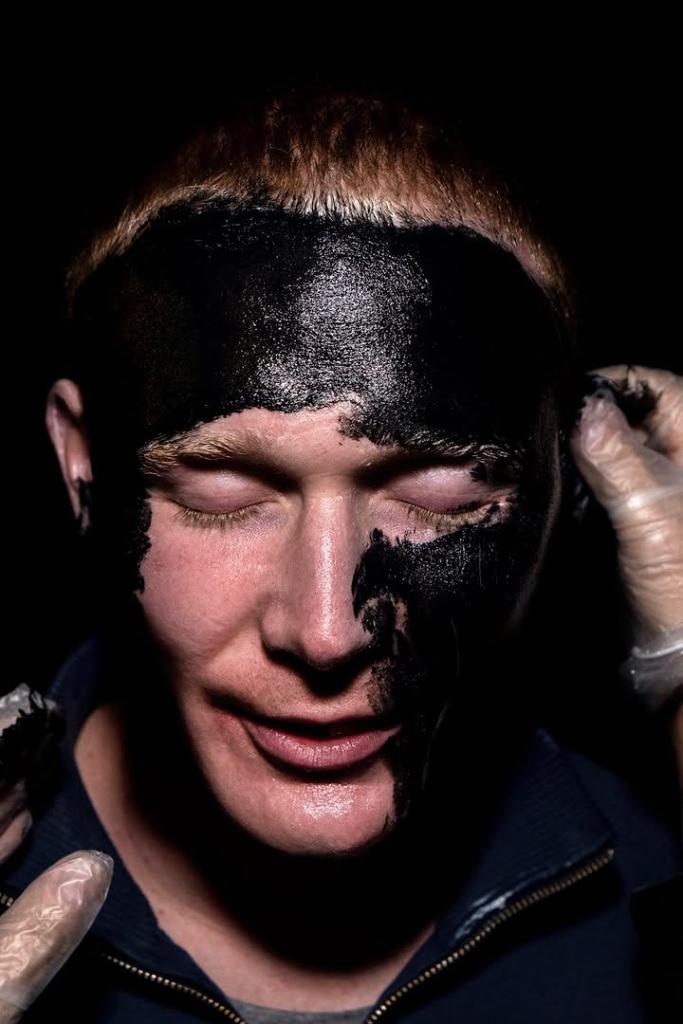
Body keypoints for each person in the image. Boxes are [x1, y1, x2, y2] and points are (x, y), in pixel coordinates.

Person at [0, 86, 681, 1023]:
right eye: (221, 493)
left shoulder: (656, 871)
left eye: (442, 497)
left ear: (573, 472)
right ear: (83, 470)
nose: (326, 632)